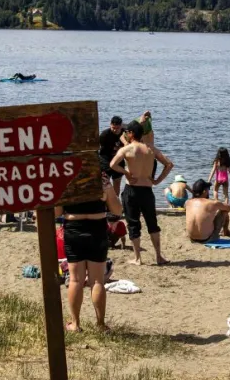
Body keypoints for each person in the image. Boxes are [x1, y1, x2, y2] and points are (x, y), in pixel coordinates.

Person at [59, 173, 123, 332]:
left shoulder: (66, 176)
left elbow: (56, 212)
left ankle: (75, 324)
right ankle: (100, 324)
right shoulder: (100, 178)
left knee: (75, 280)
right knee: (97, 281)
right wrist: (107, 189)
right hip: (97, 229)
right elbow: (117, 210)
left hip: (74, 228)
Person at [109, 120, 173, 265]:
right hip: (147, 190)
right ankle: (158, 256)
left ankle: (138, 258)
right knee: (152, 223)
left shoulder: (127, 149)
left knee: (133, 223)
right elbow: (169, 164)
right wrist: (157, 181)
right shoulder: (150, 149)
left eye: (127, 133)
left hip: (131, 190)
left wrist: (126, 172)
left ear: (131, 134)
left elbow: (112, 164)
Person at [98, 116, 125, 194]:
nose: (114, 130)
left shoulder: (125, 133)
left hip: (119, 160)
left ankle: (116, 201)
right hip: (106, 160)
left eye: (117, 128)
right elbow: (100, 149)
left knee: (117, 182)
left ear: (121, 126)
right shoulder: (104, 134)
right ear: (110, 125)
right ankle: (106, 202)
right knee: (105, 183)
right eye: (113, 128)